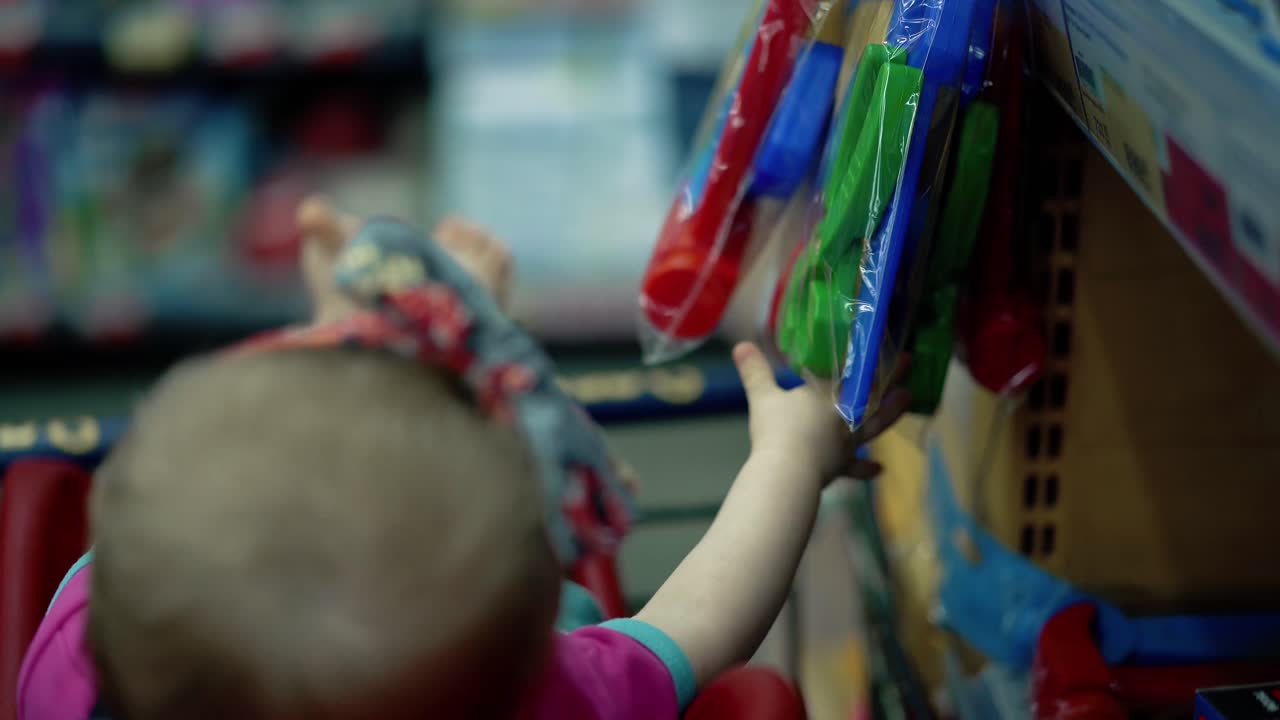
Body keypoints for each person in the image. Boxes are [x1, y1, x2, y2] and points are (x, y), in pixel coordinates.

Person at [18, 200, 908, 720]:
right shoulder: (547, 697)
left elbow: (254, 485)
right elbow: (698, 619)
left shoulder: (81, 643)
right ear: (522, 650)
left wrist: (352, 326)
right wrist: (791, 456)